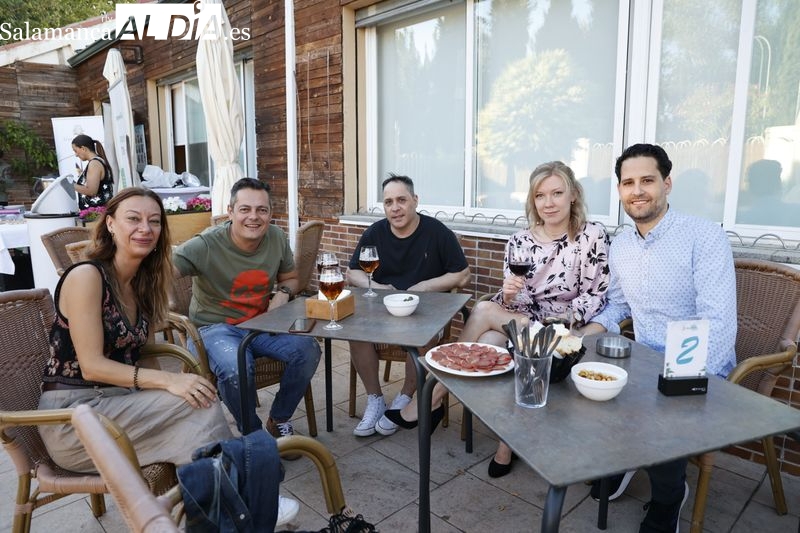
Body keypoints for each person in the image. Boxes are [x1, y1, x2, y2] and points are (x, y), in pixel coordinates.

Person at [38, 187, 299, 527]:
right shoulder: (88, 276)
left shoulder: (143, 283)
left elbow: (144, 354)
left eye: (154, 221)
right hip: (76, 421)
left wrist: (167, 390)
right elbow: (92, 365)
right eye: (133, 219)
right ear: (111, 225)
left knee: (195, 402)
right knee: (198, 404)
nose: (145, 228)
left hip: (117, 407)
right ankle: (247, 498)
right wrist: (169, 381)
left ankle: (223, 506)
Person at [383, 161, 610, 479]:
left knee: (485, 321)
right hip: (526, 320)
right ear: (533, 200)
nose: (549, 202)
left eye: (557, 193)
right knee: (489, 331)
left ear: (573, 194)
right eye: (540, 195)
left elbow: (597, 293)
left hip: (569, 325)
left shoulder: (592, 236)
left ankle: (434, 399)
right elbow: (510, 301)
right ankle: (506, 437)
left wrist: (568, 315)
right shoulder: (520, 241)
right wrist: (509, 292)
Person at [580, 143, 737, 533]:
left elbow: (718, 322)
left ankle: (669, 496)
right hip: (643, 354)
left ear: (666, 183)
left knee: (663, 407)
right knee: (583, 377)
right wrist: (586, 333)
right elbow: (617, 306)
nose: (637, 190)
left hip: (698, 360)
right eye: (628, 182)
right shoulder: (621, 244)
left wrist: (676, 375)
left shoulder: (704, 237)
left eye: (647, 180)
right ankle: (625, 458)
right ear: (619, 191)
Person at [173, 178, 321, 443]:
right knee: (237, 367)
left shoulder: (275, 237)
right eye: (245, 209)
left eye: (261, 210)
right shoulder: (206, 244)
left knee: (308, 350)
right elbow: (159, 273)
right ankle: (253, 433)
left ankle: (279, 419)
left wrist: (283, 294)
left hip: (263, 323)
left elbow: (291, 279)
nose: (254, 217)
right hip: (213, 329)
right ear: (230, 212)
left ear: (270, 214)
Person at [346, 174, 470, 437]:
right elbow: (352, 273)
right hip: (382, 308)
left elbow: (462, 274)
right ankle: (375, 399)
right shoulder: (375, 232)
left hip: (425, 310)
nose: (395, 207)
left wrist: (425, 286)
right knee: (355, 333)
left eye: (402, 200)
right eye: (389, 202)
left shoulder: (437, 232)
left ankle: (404, 398)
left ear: (415, 200)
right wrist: (379, 287)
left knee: (422, 336)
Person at [70, 134, 114, 210]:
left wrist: (71, 185)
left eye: (76, 151)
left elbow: (91, 191)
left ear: (83, 148)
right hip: (98, 213)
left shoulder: (94, 164)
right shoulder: (98, 161)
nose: (76, 155)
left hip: (97, 215)